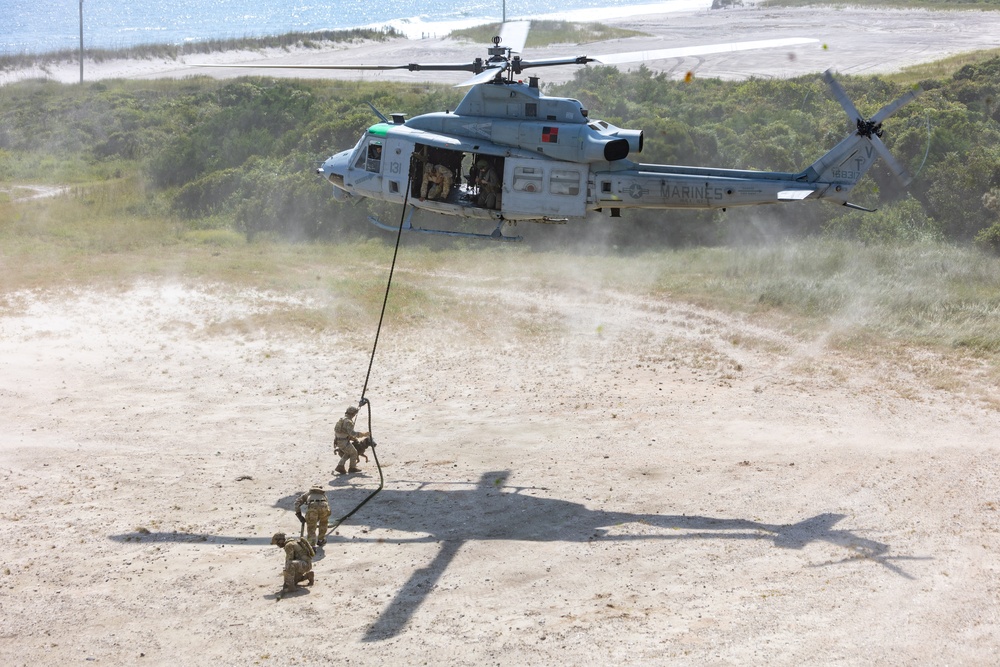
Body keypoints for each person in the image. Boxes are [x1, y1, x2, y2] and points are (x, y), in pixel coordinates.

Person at [334, 405, 369, 474]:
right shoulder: (348, 422)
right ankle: (352, 468)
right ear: (352, 414)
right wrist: (364, 434)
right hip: (343, 441)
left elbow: (339, 431)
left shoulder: (341, 419)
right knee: (354, 452)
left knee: (348, 453)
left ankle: (340, 466)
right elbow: (353, 433)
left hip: (338, 440)